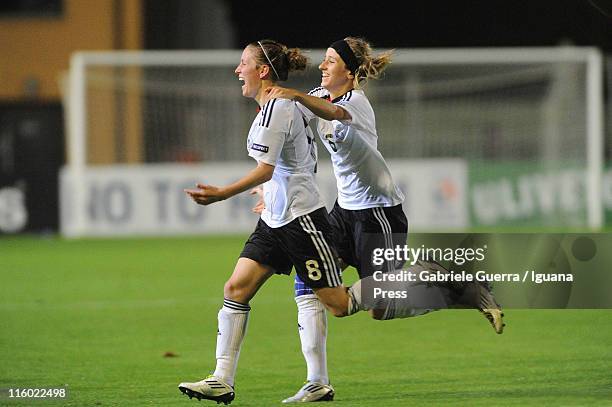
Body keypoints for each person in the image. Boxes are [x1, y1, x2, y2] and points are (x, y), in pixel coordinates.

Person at [178, 38, 502, 405]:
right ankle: (312, 381)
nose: (322, 66)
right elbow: (296, 144)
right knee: (299, 283)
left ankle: (453, 285)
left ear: (349, 71)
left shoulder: (355, 104)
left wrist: (293, 98)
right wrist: (274, 189)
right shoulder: (316, 98)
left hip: (378, 212)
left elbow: (336, 115)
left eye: (331, 61)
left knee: (379, 306)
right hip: (343, 211)